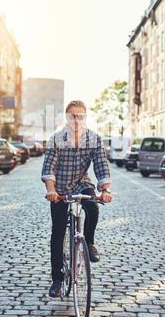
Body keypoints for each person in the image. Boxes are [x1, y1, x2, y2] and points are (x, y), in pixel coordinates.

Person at [41, 100, 112, 298]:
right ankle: (57, 278)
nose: (76, 120)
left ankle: (88, 242)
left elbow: (101, 165)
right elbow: (49, 168)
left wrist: (105, 190)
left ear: (85, 117)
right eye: (72, 116)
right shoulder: (56, 139)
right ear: (66, 118)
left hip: (82, 183)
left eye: (80, 116)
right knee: (57, 232)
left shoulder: (94, 139)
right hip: (60, 188)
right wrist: (51, 190)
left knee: (92, 207)